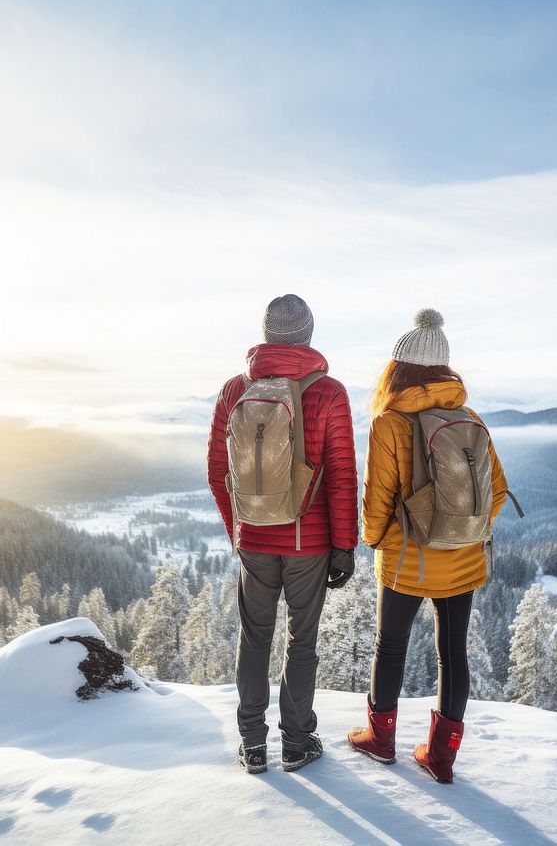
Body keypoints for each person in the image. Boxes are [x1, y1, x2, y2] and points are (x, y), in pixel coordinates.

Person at [347, 309, 508, 784]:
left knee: (390, 645)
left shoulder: (390, 422)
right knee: (452, 651)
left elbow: (377, 497)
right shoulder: (469, 417)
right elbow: (497, 491)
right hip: (464, 557)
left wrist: (374, 540)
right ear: (444, 369)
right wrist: (463, 529)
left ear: (398, 369)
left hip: (407, 557)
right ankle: (441, 757)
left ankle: (380, 739)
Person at [208, 294, 358, 774]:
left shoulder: (236, 389)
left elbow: (218, 468)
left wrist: (239, 527)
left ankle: (253, 744)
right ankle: (297, 743)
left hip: (254, 539)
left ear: (267, 333)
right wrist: (344, 546)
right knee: (302, 640)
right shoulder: (328, 391)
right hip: (307, 542)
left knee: (254, 639)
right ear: (309, 335)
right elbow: (340, 474)